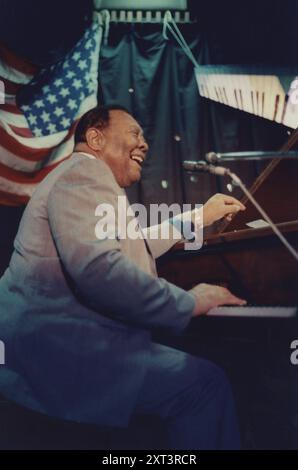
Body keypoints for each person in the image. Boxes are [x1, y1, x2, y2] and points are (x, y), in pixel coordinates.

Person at [0, 105, 246, 449]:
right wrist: (189, 302)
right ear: (95, 138)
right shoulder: (84, 174)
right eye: (134, 133)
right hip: (57, 354)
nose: (144, 144)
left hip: (43, 348)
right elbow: (99, 269)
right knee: (203, 384)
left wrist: (199, 217)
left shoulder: (78, 178)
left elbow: (134, 243)